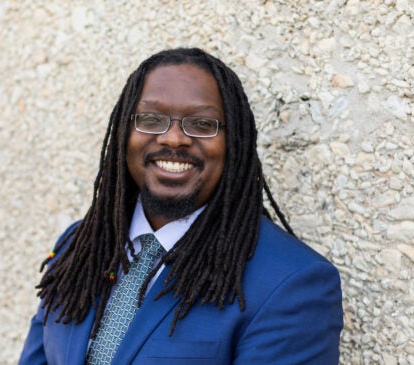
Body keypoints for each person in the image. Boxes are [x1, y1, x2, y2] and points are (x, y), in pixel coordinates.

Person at [19, 48, 343, 365]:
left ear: (235, 143)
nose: (173, 139)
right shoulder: (78, 248)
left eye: (202, 124)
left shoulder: (292, 283)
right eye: (150, 119)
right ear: (123, 132)